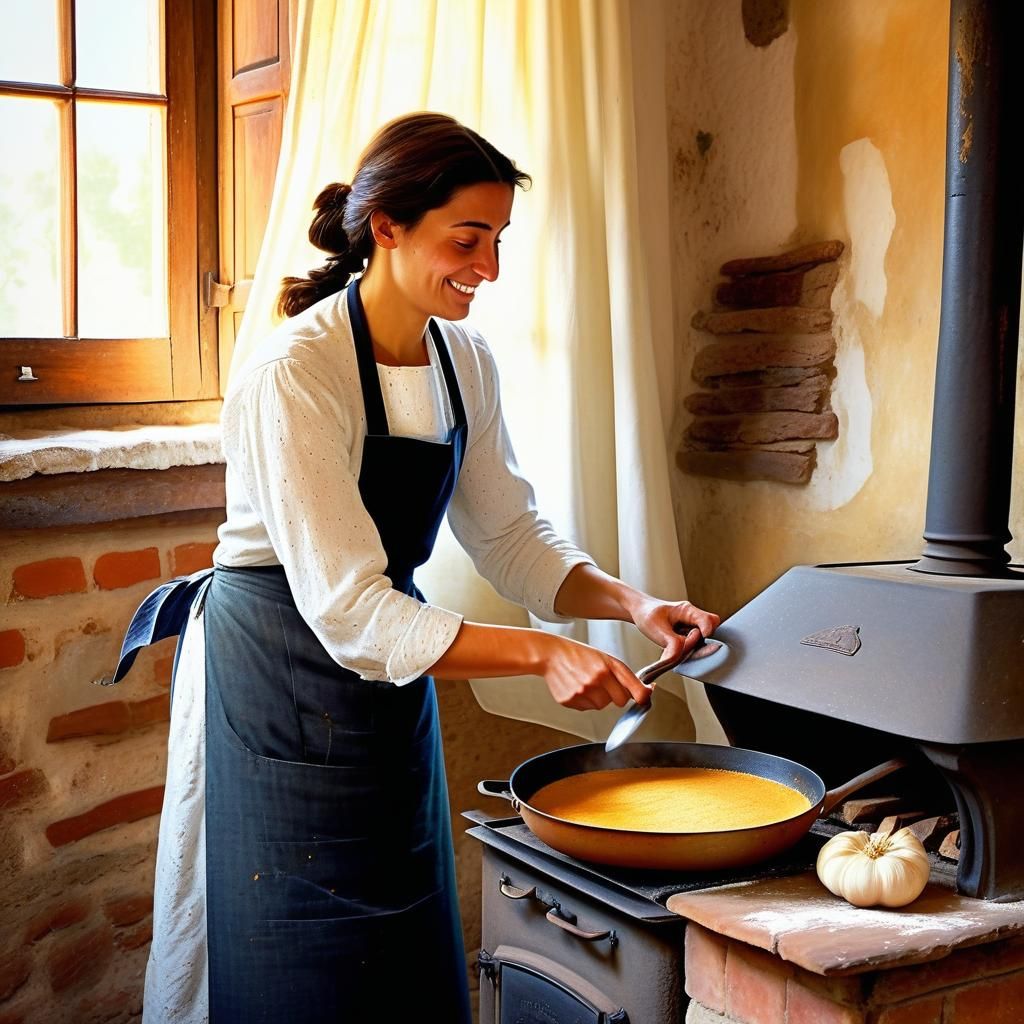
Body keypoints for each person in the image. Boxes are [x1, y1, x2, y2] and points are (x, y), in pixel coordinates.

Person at [114, 111, 719, 1024]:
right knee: (292, 955)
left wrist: (633, 604)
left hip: (391, 669)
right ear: (388, 227)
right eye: (466, 239)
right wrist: (541, 654)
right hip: (277, 671)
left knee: (403, 942)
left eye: (499, 240)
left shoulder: (462, 360)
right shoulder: (295, 372)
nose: (490, 268)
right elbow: (352, 608)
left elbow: (511, 536)